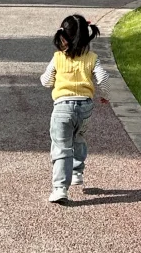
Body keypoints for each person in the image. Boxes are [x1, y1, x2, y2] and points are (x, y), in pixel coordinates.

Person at [39, 13, 110, 204]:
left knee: (61, 146)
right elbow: (103, 78)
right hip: (85, 107)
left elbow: (46, 81)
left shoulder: (58, 58)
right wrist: (105, 95)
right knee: (79, 137)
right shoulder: (92, 58)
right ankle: (77, 171)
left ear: (63, 37)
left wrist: (54, 80)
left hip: (62, 107)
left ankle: (60, 188)